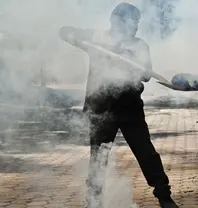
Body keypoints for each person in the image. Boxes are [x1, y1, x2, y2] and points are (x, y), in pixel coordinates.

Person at [59, 3, 178, 208]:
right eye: (133, 21)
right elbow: (63, 31)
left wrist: (133, 61)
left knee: (146, 153)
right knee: (99, 157)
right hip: (101, 108)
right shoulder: (97, 39)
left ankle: (164, 196)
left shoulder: (140, 46)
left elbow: (146, 75)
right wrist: (76, 37)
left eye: (137, 22)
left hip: (130, 108)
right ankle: (94, 201)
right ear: (116, 21)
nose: (136, 26)